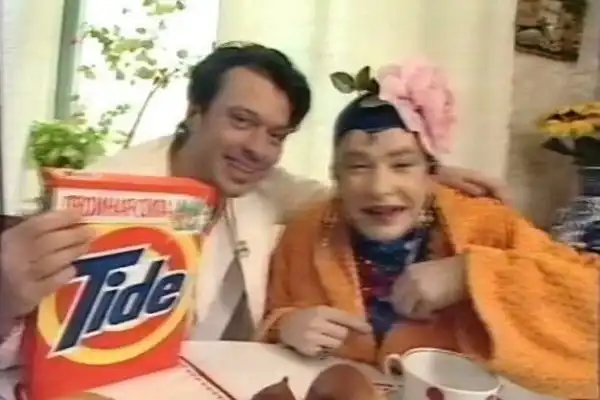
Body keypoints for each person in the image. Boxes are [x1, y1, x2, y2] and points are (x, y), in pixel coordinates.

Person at [0, 44, 508, 363]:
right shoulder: (103, 194)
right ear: (195, 111)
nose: (258, 149)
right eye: (241, 121)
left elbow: (349, 198)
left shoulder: (264, 187)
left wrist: (424, 177)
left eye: (276, 135)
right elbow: (27, 342)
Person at [256, 59, 598, 399]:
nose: (380, 187)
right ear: (336, 174)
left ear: (431, 171)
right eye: (358, 166)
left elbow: (587, 295)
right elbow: (274, 316)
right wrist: (285, 325)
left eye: (402, 164)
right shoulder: (306, 233)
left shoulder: (487, 225)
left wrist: (469, 274)